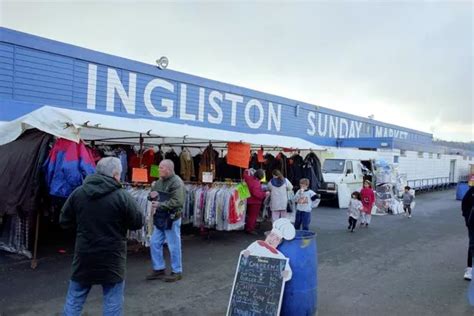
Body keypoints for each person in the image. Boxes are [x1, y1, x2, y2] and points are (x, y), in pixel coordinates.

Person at [60, 157, 144, 315]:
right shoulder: (122, 196)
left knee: (75, 299)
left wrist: (83, 230)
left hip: (84, 255)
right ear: (115, 174)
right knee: (112, 300)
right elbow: (137, 222)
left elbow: (64, 221)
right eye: (119, 174)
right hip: (112, 257)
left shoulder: (78, 193)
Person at [146, 159, 185, 282]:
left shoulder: (177, 182)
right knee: (154, 242)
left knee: (174, 246)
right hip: (161, 218)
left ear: (168, 169)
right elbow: (152, 195)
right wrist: (150, 196)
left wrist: (160, 205)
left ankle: (177, 271)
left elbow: (178, 201)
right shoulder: (159, 181)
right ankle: (159, 269)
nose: (158, 169)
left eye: (161, 168)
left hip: (172, 218)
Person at [243, 168, 269, 235]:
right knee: (253, 216)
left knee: (249, 215)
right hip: (255, 202)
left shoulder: (249, 178)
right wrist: (264, 194)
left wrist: (247, 170)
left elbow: (245, 175)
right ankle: (250, 229)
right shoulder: (256, 183)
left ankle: (248, 226)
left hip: (248, 199)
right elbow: (256, 193)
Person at [462, 185, 474, 281]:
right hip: (473, 223)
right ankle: (469, 269)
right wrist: (467, 218)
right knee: (472, 245)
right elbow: (464, 203)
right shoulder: (472, 191)